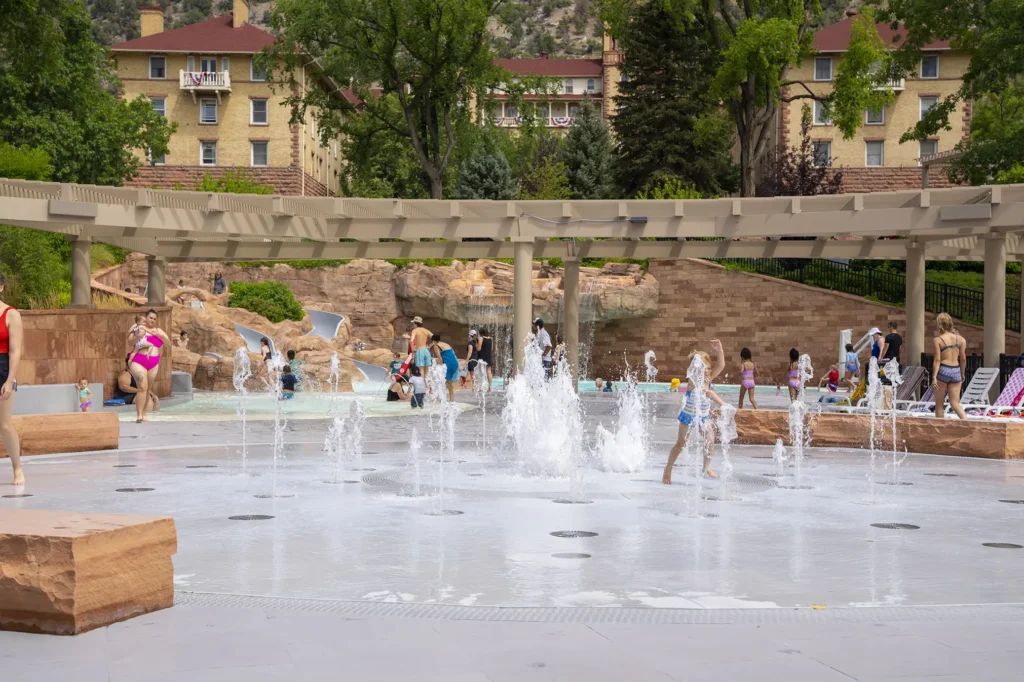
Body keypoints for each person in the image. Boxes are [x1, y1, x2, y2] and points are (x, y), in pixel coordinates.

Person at [663, 339, 725, 483]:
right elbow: (707, 391)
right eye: (704, 368)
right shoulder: (693, 381)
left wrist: (720, 350)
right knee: (681, 444)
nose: (707, 371)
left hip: (703, 417)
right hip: (688, 417)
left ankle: (706, 466)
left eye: (708, 368)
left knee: (710, 440)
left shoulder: (708, 378)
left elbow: (721, 365)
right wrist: (723, 404)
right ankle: (668, 468)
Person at [0, 274, 24, 486]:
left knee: (5, 425)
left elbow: (15, 351)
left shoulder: (11, 314)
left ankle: (17, 468)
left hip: (3, 370)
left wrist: (9, 381)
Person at [127, 308, 170, 423]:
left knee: (148, 389)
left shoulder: (157, 330)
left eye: (155, 319)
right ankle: (139, 415)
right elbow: (129, 342)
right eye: (150, 317)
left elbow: (168, 343)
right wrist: (138, 336)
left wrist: (162, 336)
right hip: (139, 360)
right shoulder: (137, 327)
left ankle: (144, 414)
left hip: (153, 362)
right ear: (145, 317)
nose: (152, 320)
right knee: (142, 386)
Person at [932, 312, 967, 420]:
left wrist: (934, 376)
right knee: (955, 404)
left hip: (943, 370)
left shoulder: (938, 340)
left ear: (939, 324)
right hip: (956, 370)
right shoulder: (961, 339)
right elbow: (963, 359)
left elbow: (937, 360)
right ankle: (966, 424)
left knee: (939, 404)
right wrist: (962, 373)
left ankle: (939, 431)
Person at [429, 334, 460, 402]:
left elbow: (441, 360)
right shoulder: (445, 344)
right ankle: (445, 398)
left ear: (433, 341)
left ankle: (447, 399)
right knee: (446, 381)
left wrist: (434, 360)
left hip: (449, 364)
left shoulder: (436, 346)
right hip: (455, 363)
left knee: (445, 381)